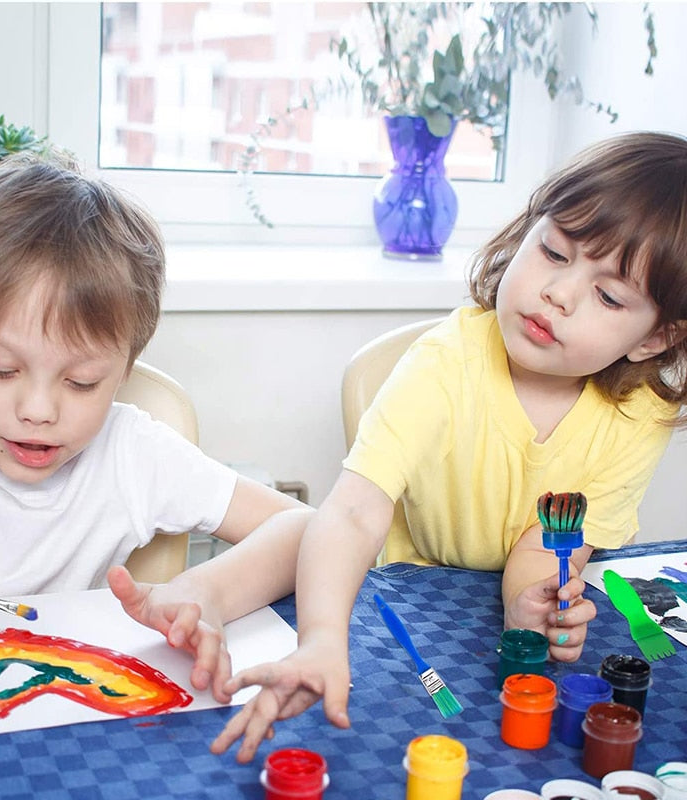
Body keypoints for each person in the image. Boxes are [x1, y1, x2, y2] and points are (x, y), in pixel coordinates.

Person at [210, 132, 687, 762]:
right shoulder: (444, 363)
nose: (559, 293)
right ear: (526, 232)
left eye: (607, 295)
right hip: (405, 600)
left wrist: (528, 608)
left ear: (655, 339)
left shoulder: (638, 417)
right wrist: (322, 640)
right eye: (552, 251)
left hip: (482, 626)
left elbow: (545, 544)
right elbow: (352, 511)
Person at [0, 151, 311, 703]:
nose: (39, 409)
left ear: (124, 367)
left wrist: (205, 591)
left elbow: (307, 530)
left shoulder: (133, 453)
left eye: (82, 381)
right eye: (1, 370)